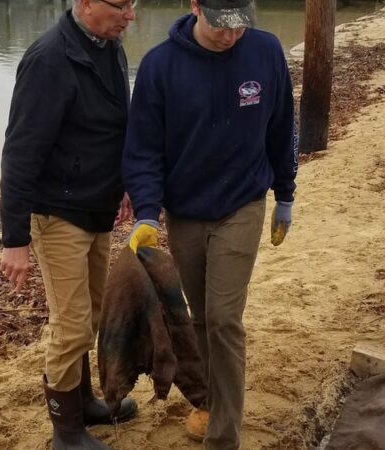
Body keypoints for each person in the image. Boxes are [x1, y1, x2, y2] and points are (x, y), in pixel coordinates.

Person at [122, 0, 297, 447]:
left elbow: (281, 127)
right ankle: (212, 403)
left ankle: (224, 437)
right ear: (196, 6)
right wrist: (146, 211)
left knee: (223, 319)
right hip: (185, 211)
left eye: (240, 27)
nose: (231, 36)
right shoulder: (160, 66)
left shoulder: (266, 51)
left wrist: (286, 195)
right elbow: (143, 149)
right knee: (199, 318)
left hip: (243, 203)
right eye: (222, 27)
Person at [0, 0, 139, 447]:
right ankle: (67, 432)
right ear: (85, 3)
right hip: (57, 212)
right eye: (121, 4)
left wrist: (127, 183)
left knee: (93, 313)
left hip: (97, 206)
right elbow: (19, 153)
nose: (130, 14)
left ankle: (84, 404)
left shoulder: (111, 46)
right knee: (71, 323)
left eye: (133, 3)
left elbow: (115, 126)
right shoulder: (48, 60)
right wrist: (14, 240)